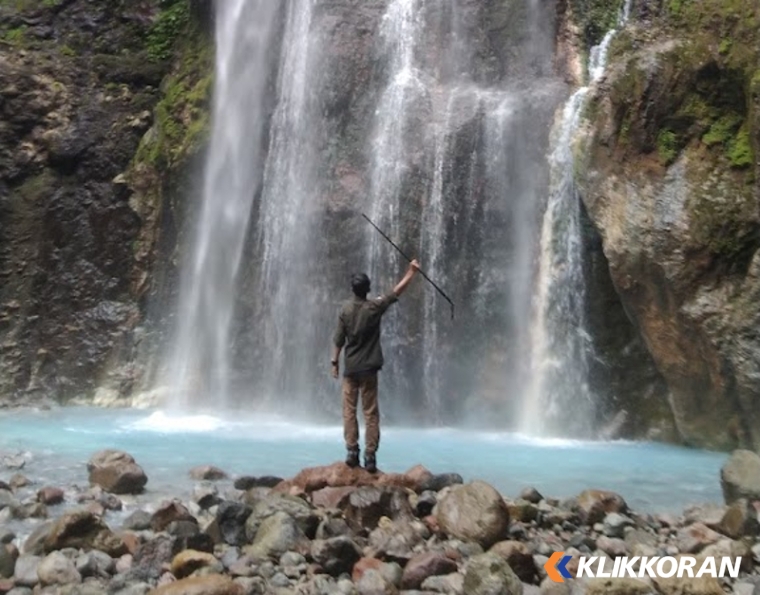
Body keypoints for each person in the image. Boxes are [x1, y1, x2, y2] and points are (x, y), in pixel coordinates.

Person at [331, 260, 421, 473]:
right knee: (370, 412)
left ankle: (352, 451)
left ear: (352, 289)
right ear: (367, 289)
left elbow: (338, 340)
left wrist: (334, 362)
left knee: (349, 411)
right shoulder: (374, 307)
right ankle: (370, 456)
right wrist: (411, 272)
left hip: (351, 369)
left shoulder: (344, 310)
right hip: (369, 369)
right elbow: (395, 292)